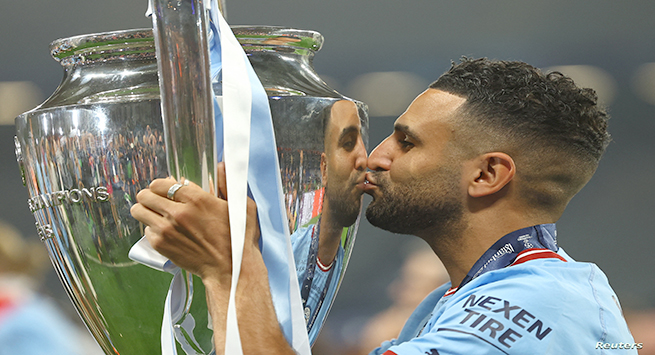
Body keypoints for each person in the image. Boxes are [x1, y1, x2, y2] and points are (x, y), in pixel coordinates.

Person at [131, 57, 637, 354]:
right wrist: (309, 237)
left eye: (407, 143)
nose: (375, 158)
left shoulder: (527, 308)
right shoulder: (466, 299)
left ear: (487, 175)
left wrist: (230, 267)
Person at [290, 99, 367, 341]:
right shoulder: (290, 254)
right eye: (347, 144)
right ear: (324, 169)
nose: (364, 159)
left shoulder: (340, 256)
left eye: (364, 145)